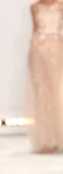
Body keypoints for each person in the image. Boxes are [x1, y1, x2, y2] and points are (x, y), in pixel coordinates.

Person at [27, 0, 63, 153]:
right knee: (43, 94)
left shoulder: (61, 4)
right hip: (38, 51)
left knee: (58, 92)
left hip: (56, 50)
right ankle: (47, 140)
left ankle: (59, 136)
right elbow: (35, 31)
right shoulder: (34, 7)